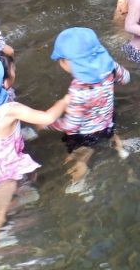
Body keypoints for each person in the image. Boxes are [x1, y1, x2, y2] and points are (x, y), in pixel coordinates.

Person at [0, 51, 68, 253]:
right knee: (1, 209)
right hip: (4, 170)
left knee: (7, 195)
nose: (15, 70)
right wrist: (65, 101)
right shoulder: (10, 109)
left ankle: (3, 224)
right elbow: (47, 118)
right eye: (13, 70)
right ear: (4, 83)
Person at [47, 27, 131, 194]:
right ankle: (122, 150)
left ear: (66, 62)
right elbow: (126, 78)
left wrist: (49, 124)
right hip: (107, 121)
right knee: (111, 133)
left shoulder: (78, 90)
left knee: (80, 159)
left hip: (85, 134)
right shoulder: (110, 67)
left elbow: (71, 125)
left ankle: (80, 185)